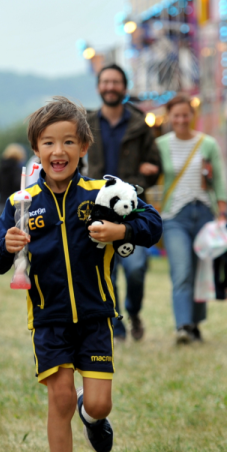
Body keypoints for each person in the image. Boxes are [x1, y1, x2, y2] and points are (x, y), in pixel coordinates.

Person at [0, 96, 161, 452]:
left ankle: (90, 416)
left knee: (98, 404)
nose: (58, 151)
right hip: (48, 319)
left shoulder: (103, 193)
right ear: (36, 150)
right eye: (48, 143)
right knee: (59, 395)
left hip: (97, 317)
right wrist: (8, 246)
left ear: (84, 146)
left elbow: (151, 223)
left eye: (67, 142)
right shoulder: (21, 204)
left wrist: (121, 233)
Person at [84, 63, 161, 342]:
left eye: (116, 82)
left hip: (131, 206)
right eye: (106, 82)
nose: (110, 87)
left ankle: (134, 310)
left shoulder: (140, 124)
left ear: (124, 88)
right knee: (106, 270)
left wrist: (143, 178)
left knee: (136, 267)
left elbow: (155, 164)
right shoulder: (87, 123)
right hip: (98, 205)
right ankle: (116, 324)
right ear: (98, 87)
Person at [155, 95, 227, 345]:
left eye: (186, 114)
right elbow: (154, 176)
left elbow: (217, 177)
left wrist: (222, 207)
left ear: (192, 116)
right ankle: (183, 325)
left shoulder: (207, 144)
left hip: (204, 212)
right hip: (174, 214)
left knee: (200, 272)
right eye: (176, 115)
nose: (181, 120)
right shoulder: (161, 145)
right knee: (182, 269)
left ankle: (195, 324)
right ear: (169, 117)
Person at [0, 142, 26, 207]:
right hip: (13, 202)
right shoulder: (17, 169)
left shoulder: (1, 168)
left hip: (1, 202)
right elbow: (18, 185)